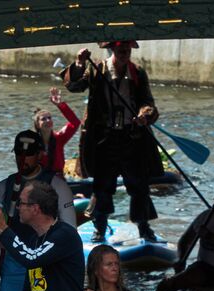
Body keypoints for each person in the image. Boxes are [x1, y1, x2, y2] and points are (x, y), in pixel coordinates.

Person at [61, 40, 162, 244]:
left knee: (139, 185)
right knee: (103, 186)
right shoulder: (97, 69)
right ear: (113, 49)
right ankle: (99, 228)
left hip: (131, 137)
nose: (124, 53)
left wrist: (144, 114)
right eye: (120, 50)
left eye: (127, 50)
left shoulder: (138, 72)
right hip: (104, 139)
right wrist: (80, 64)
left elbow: (148, 102)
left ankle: (144, 227)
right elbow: (74, 86)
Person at [0, 130, 77, 291]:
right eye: (18, 154)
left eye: (29, 154)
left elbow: (70, 227)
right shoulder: (5, 186)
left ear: (40, 154)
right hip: (14, 264)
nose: (23, 159)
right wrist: (5, 239)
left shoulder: (57, 185)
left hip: (49, 261)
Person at [35, 88, 81, 177]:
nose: (48, 120)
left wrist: (60, 105)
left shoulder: (59, 138)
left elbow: (75, 122)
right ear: (37, 125)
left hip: (58, 181)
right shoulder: (32, 142)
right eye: (43, 119)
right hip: (39, 182)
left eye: (49, 118)